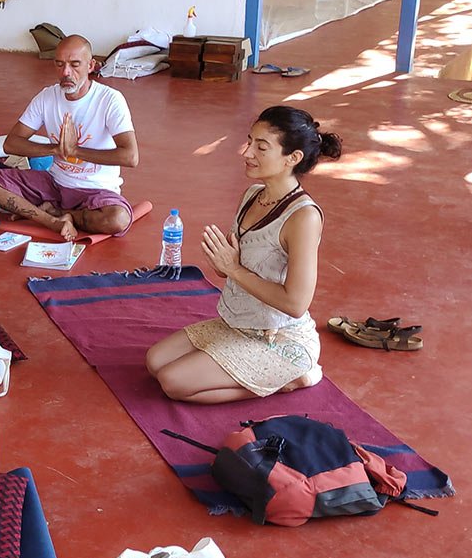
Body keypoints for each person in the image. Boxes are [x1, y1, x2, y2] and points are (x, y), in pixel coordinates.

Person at [145, 106, 343, 404]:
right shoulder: (252, 195)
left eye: (261, 147)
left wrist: (233, 269)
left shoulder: (303, 217)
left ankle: (293, 377)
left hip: (278, 338)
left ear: (293, 158)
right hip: (235, 323)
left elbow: (296, 303)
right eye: (250, 141)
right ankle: (264, 375)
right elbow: (231, 268)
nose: (247, 152)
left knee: (173, 383)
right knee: (155, 361)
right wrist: (223, 265)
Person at [0, 34, 138, 241]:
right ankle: (51, 220)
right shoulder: (47, 97)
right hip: (55, 183)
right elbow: (11, 143)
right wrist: (54, 149)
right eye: (59, 64)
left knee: (118, 219)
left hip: (96, 191)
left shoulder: (110, 99)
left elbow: (130, 157)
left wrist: (75, 151)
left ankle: (60, 213)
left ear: (91, 65)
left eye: (75, 64)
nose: (66, 72)